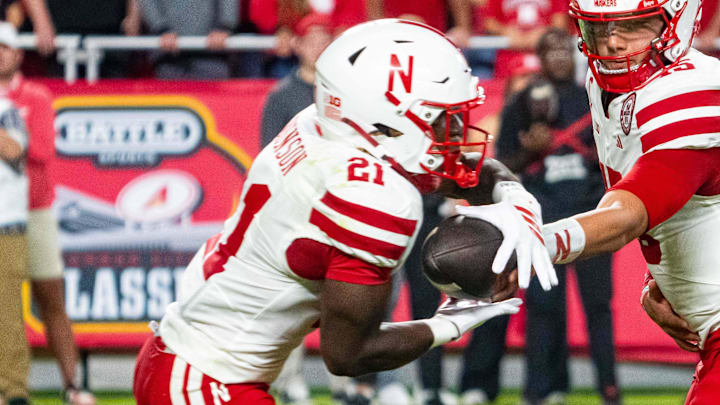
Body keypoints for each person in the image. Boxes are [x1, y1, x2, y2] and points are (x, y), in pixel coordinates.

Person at [133, 18, 557, 405]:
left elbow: (452, 170)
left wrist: (512, 194)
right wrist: (453, 320)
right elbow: (350, 354)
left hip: (188, 358)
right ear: (391, 119)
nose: (459, 132)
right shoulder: (376, 198)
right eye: (444, 118)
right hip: (205, 381)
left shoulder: (318, 125)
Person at [458, 0, 720, 402]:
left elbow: (627, 214)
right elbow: (689, 204)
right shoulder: (607, 88)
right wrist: (664, 281)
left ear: (679, 20)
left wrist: (533, 242)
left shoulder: (692, 91)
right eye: (599, 28)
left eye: (633, 26)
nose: (613, 43)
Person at [494, 28, 618, 405]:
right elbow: (502, 171)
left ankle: (610, 391)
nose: (561, 56)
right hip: (543, 222)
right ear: (540, 57)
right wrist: (530, 152)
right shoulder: (520, 103)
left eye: (566, 49)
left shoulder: (594, 98)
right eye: (551, 50)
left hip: (593, 218)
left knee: (598, 308)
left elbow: (615, 158)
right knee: (545, 309)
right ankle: (538, 391)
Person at [0, 22, 96, 405]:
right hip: (5, 211)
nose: (0, 54)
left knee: (50, 299)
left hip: (34, 211)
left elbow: (40, 152)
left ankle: (72, 384)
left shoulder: (35, 96)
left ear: (18, 54)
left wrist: (11, 134)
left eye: (5, 47)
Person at [0, 24, 29, 405]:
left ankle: (14, 391)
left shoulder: (6, 109)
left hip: (5, 224)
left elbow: (16, 150)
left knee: (7, 314)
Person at [260, 13, 333, 148]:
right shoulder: (281, 95)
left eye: (324, 42)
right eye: (311, 42)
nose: (318, 49)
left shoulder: (342, 90)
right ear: (297, 45)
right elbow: (269, 148)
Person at [139, 0, 237, 79]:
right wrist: (161, 29)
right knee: (172, 100)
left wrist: (224, 26)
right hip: (169, 55)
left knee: (214, 100)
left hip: (213, 54)